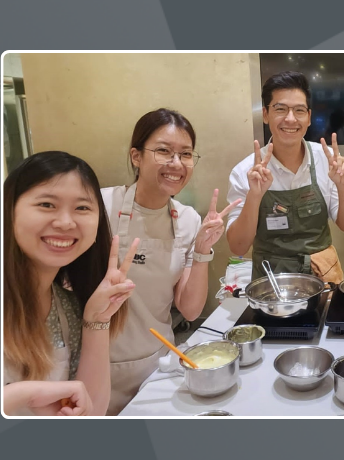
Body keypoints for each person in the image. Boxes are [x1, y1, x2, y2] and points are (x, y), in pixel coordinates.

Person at [94, 109, 238, 410]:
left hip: (159, 366)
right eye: (163, 151)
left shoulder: (186, 219)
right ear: (136, 156)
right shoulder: (99, 207)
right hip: (96, 368)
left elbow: (189, 309)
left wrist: (202, 250)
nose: (176, 164)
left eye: (186, 154)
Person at [2, 151, 137, 416]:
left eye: (82, 208)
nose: (65, 222)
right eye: (47, 205)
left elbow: (92, 411)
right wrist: (23, 396)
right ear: (9, 209)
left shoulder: (68, 308)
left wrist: (96, 319)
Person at [226, 71, 344, 276]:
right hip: (270, 284)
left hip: (323, 278)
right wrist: (254, 196)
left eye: (299, 110)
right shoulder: (245, 171)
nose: (290, 119)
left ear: (308, 117)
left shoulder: (326, 160)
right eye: (280, 109)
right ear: (265, 114)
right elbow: (238, 247)